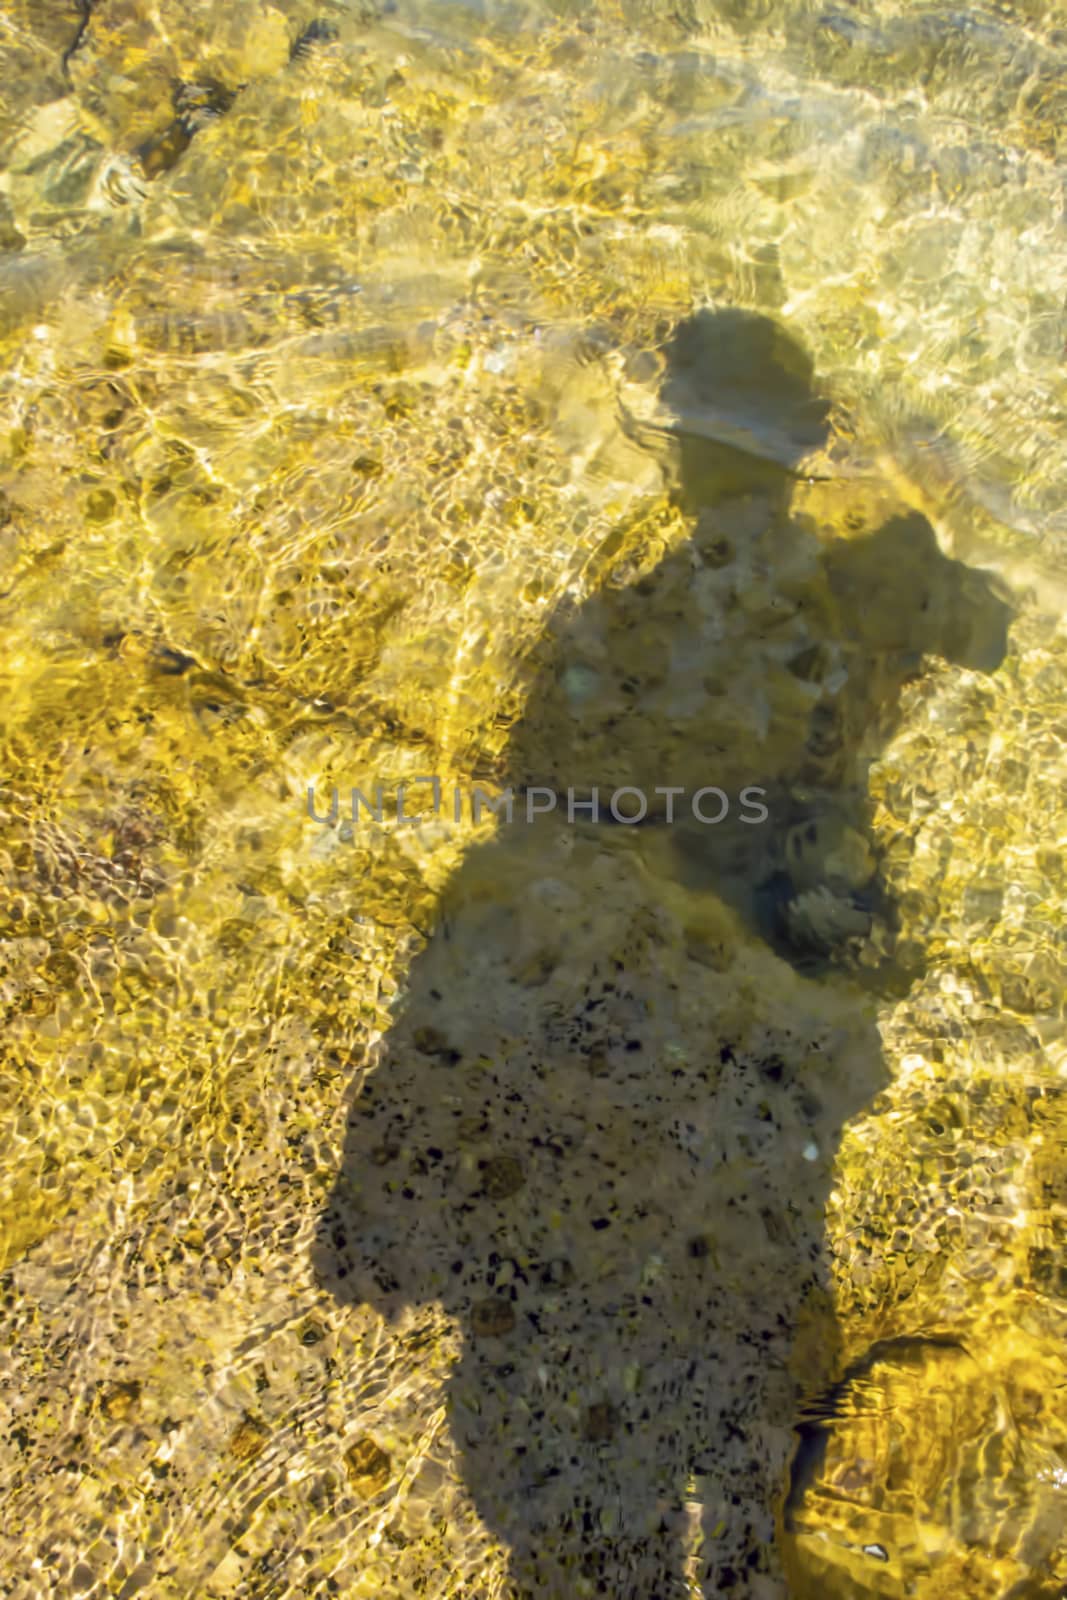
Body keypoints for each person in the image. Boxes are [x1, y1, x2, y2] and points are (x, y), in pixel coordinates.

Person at [314, 308, 1012, 1596]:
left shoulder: (609, 631)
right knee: (763, 1259)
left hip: (667, 978)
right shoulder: (876, 580)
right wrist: (928, 520)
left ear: (677, 453)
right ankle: (762, 1524)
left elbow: (539, 815)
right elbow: (993, 632)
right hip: (810, 953)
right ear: (806, 445)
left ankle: (689, 1513)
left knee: (650, 1278)